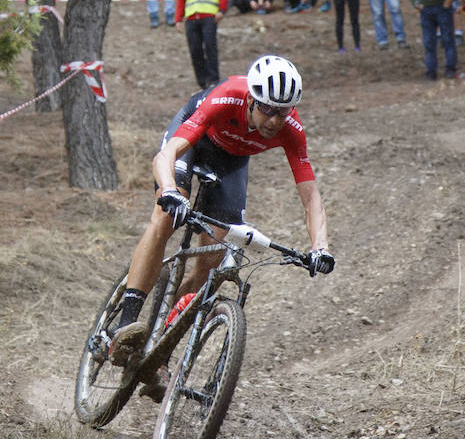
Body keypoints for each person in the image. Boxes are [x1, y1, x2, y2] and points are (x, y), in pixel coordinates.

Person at [104, 56, 334, 374]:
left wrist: (319, 247)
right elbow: (167, 154)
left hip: (231, 163)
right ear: (252, 99)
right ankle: (125, 324)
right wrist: (169, 190)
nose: (273, 120)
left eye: (283, 111)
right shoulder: (227, 97)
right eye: (267, 108)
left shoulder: (291, 130)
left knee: (215, 256)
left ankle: (162, 340)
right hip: (195, 141)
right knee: (164, 219)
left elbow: (311, 196)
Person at [174, 0, 229, 90]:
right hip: (192, 19)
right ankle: (202, 81)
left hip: (209, 17)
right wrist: (178, 19)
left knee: (210, 47)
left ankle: (213, 79)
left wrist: (221, 11)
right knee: (195, 50)